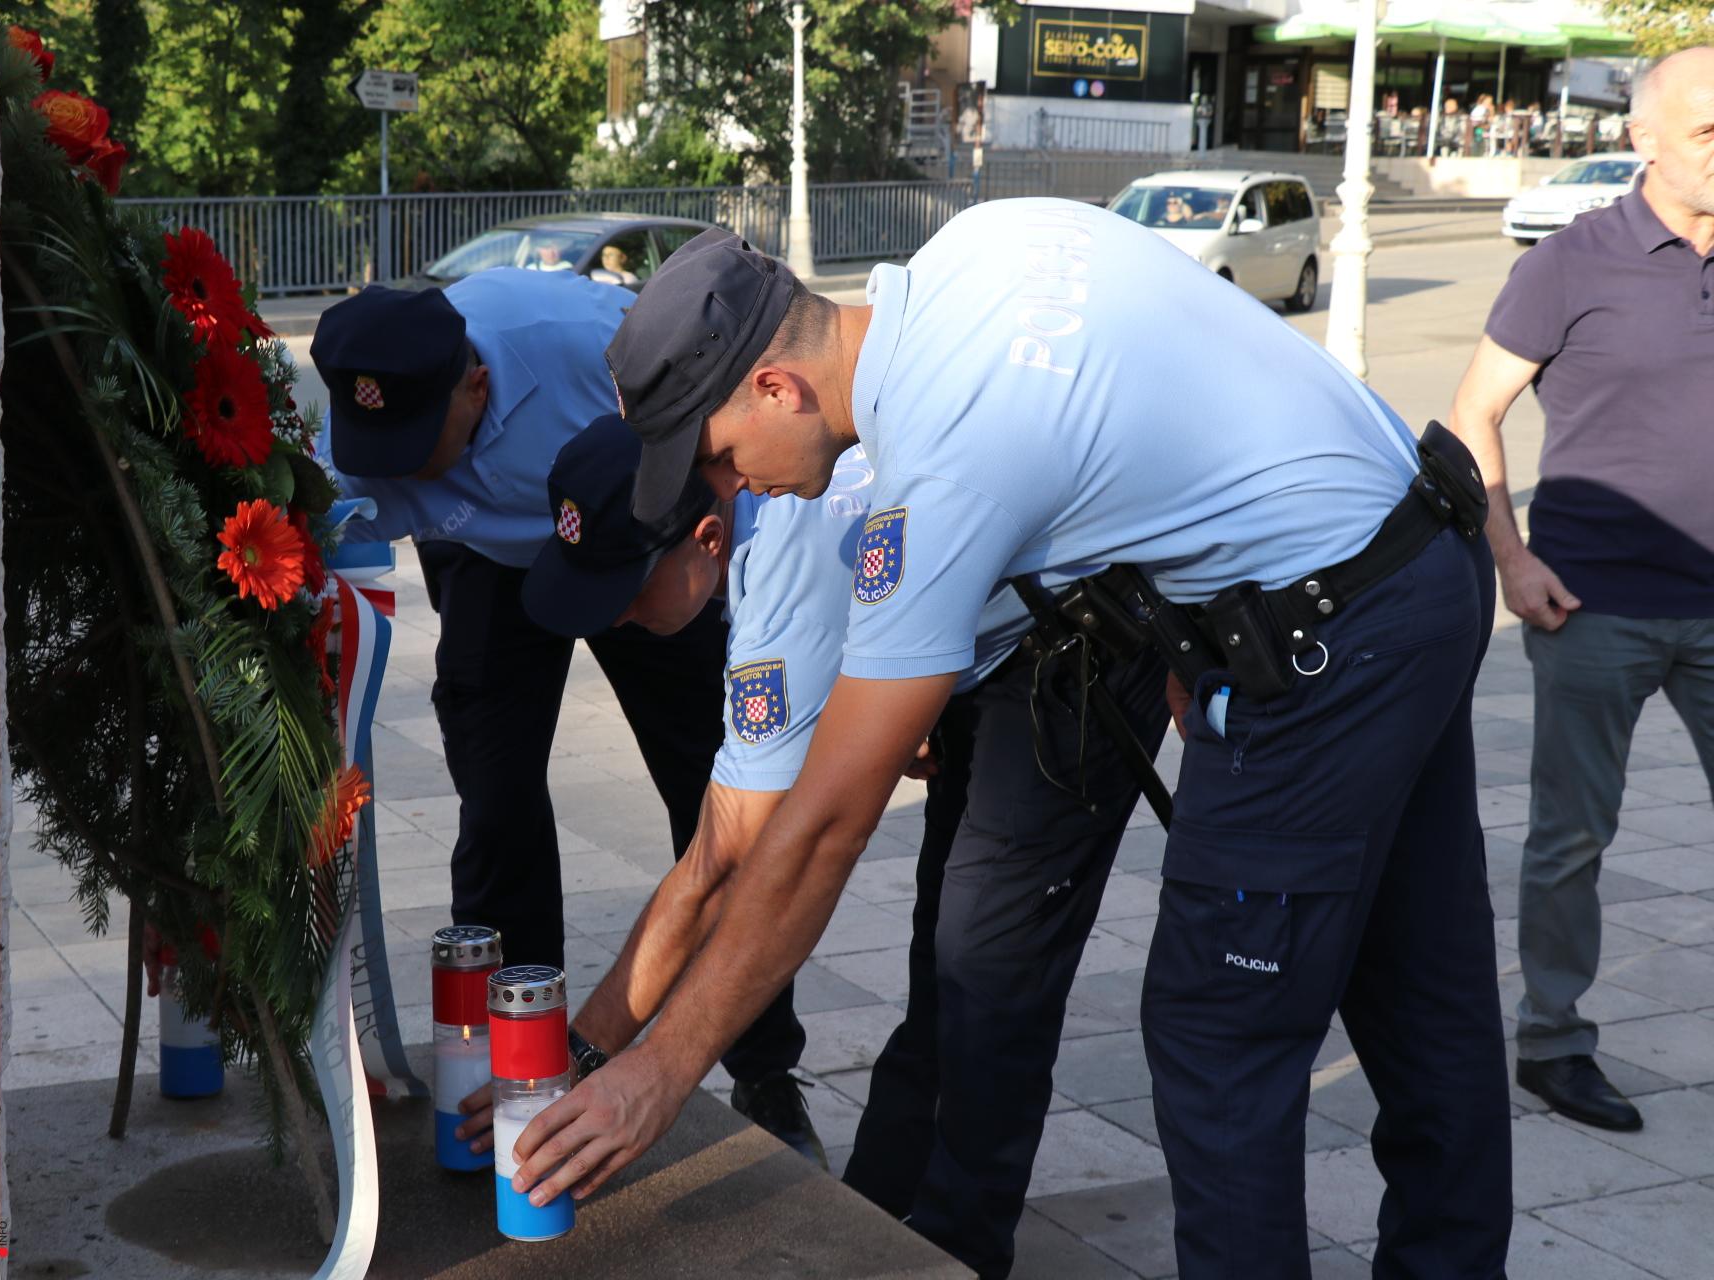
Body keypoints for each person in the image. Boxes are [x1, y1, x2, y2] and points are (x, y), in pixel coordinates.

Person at [501, 205, 1512, 1276]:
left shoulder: (937, 462)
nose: (726, 489)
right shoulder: (974, 247)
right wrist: (1194, 602)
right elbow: (1152, 402)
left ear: (775, 389)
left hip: (1327, 642)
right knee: (1423, 996)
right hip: (1419, 555)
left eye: (713, 459)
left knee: (1219, 1039)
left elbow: (825, 824)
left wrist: (660, 1070)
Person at [458, 413, 1168, 1275]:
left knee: (986, 984)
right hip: (991, 644)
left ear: (707, 540)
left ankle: (947, 1255)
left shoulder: (786, 584)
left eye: (626, 595)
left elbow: (727, 867)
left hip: (1080, 641)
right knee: (947, 966)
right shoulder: (756, 503)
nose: (615, 624)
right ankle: (875, 1225)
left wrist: (604, 1061)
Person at [309, 273, 812, 1149]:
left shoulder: (587, 347)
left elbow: (721, 454)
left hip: (634, 543)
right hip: (487, 566)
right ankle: (522, 1066)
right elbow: (313, 549)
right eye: (375, 446)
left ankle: (765, 1071)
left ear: (477, 386)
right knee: (497, 807)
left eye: (420, 448)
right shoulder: (367, 431)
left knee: (716, 797)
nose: (393, 470)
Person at [1445, 47, 1714, 1134]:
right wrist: (1512, 558)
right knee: (1572, 838)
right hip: (1592, 603)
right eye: (1707, 130)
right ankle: (1552, 1042)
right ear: (1642, 139)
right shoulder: (1572, 261)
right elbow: (1470, 415)